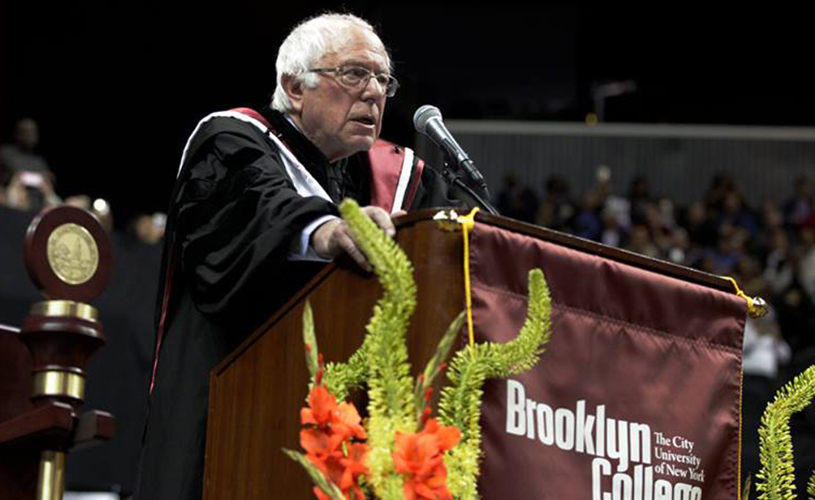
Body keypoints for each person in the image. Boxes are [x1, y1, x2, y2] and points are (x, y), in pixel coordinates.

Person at [136, 13, 473, 500]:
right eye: (356, 73)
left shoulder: (394, 177)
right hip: (237, 422)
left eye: (383, 79)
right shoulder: (232, 141)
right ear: (295, 87)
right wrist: (326, 232)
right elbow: (254, 204)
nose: (375, 92)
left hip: (350, 439)